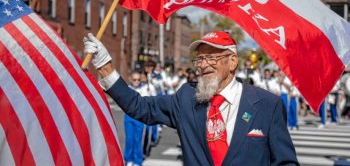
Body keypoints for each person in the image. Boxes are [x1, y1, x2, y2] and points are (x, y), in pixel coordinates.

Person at [83, 31, 299, 166]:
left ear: (232, 62)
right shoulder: (186, 97)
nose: (203, 64)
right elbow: (140, 107)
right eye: (200, 59)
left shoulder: (267, 105)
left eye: (212, 57)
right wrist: (105, 67)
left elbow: (285, 162)